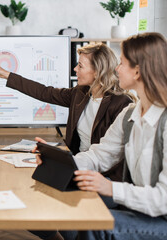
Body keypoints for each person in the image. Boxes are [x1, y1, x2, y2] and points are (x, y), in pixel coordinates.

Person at [34, 32, 167, 240]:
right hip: (138, 211)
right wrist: (58, 163)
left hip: (161, 220)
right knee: (50, 205)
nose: (116, 68)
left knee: (94, 225)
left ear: (138, 72)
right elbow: (99, 155)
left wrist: (110, 188)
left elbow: (164, 199)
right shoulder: (130, 114)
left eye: (122, 63)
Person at [0, 43, 134, 182]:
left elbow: (113, 156)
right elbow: (45, 92)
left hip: (101, 176)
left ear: (97, 72)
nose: (75, 69)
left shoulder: (121, 104)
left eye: (80, 66)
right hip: (77, 165)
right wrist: (6, 75)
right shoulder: (80, 93)